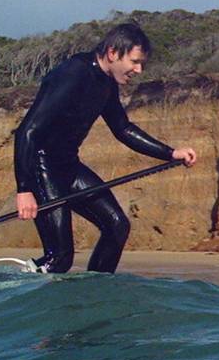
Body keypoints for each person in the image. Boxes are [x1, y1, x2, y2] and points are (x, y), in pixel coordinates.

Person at [11, 22, 196, 273]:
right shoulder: (73, 74)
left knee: (117, 225)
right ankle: (15, 289)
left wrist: (170, 153)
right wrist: (24, 189)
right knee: (60, 258)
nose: (139, 69)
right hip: (41, 167)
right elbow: (28, 131)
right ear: (112, 53)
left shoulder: (107, 84)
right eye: (134, 61)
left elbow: (123, 129)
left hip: (68, 165)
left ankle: (97, 289)